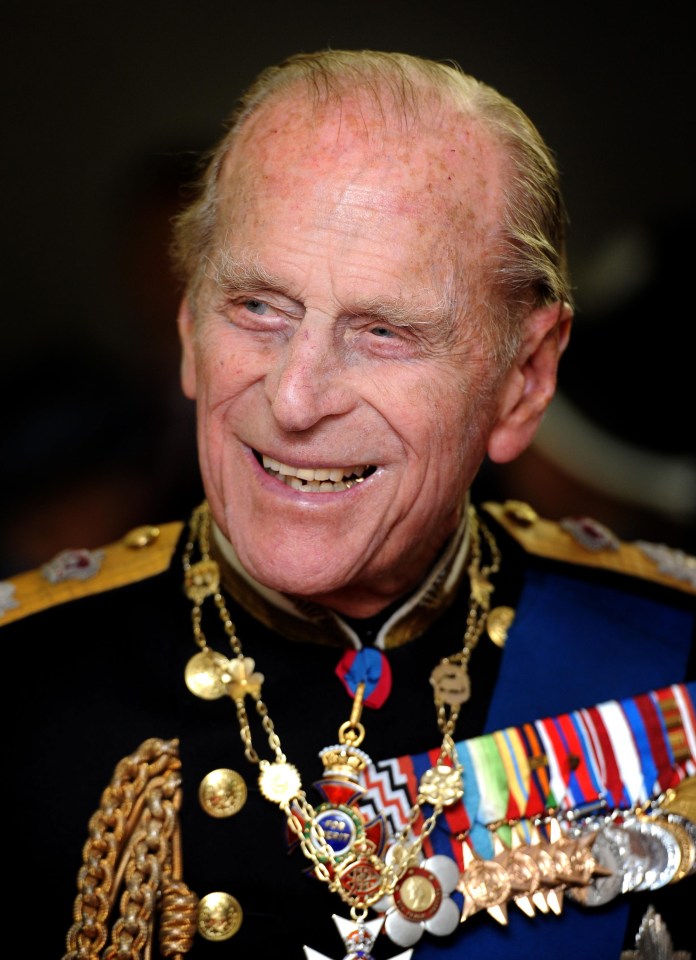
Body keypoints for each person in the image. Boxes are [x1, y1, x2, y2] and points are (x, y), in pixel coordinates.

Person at [2, 50, 694, 960]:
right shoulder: (23, 678)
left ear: (525, 379)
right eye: (256, 307)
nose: (294, 400)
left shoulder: (665, 658)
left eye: (384, 331)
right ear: (185, 328)